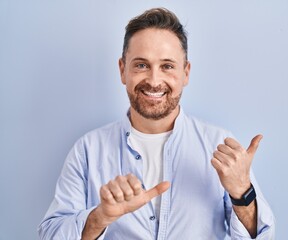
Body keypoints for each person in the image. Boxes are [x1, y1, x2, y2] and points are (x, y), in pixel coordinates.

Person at [38, 7, 275, 240]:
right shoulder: (87, 150)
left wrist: (241, 193)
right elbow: (50, 235)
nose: (154, 80)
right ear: (123, 70)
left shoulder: (220, 146)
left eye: (167, 66)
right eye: (141, 65)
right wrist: (99, 218)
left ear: (186, 73)